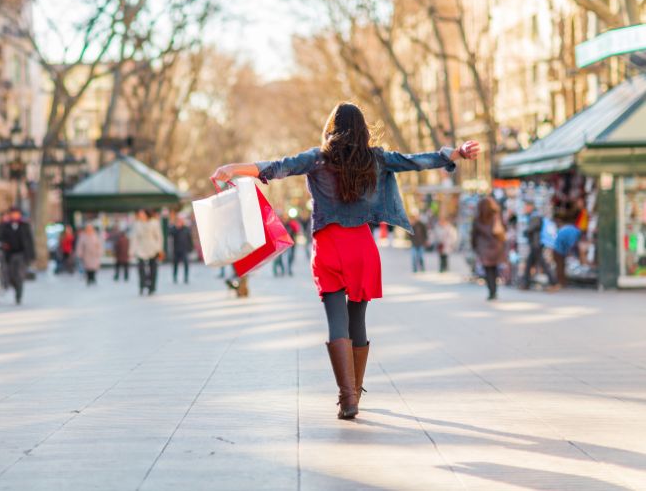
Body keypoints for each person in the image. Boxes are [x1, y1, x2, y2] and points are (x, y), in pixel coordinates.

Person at [212, 102, 479, 420]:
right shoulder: (376, 158)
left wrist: (232, 168)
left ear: (331, 127)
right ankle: (355, 393)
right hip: (363, 248)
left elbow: (276, 167)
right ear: (363, 129)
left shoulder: (318, 158)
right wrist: (456, 153)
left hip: (328, 247)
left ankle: (347, 398)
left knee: (336, 321)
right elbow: (414, 161)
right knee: (358, 321)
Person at [471, 198, 507, 301]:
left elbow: (474, 235)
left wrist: (474, 246)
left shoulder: (478, 219)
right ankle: (494, 290)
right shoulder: (496, 216)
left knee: (488, 270)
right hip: (496, 246)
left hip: (484, 247)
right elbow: (503, 229)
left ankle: (491, 291)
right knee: (495, 269)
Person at [0, 206, 35, 304]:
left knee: (19, 275)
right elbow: (0, 238)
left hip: (21, 254)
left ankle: (19, 295)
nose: (14, 215)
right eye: (12, 213)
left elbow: (30, 241)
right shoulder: (5, 226)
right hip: (9, 254)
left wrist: (31, 256)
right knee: (10, 275)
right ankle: (16, 288)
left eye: (16, 213)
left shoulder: (25, 225)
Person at [519, 201, 558, 291]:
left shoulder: (535, 216)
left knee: (543, 264)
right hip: (536, 244)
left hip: (536, 244)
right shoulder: (533, 216)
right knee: (530, 263)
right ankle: (525, 283)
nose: (524, 209)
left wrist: (525, 232)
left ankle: (553, 282)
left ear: (530, 207)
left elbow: (531, 229)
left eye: (526, 207)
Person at [131, 209, 164, 295]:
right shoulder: (137, 224)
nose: (140, 216)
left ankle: (152, 287)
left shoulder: (154, 222)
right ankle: (142, 285)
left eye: (142, 214)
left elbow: (159, 236)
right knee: (140, 268)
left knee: (153, 269)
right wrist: (131, 251)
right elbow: (134, 238)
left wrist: (159, 248)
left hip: (153, 248)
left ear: (146, 214)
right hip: (140, 249)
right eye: (139, 214)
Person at [552, 219, 582, 288]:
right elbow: (571, 244)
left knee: (561, 266)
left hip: (557, 248)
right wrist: (576, 254)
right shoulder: (575, 232)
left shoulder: (571, 229)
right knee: (560, 266)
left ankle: (561, 282)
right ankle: (560, 282)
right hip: (558, 250)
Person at [170, 216, 193, 284]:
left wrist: (190, 248)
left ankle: (186, 277)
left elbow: (190, 239)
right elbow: (170, 233)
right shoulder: (174, 229)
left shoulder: (186, 229)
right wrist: (175, 227)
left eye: (180, 221)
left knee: (186, 264)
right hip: (176, 249)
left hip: (184, 249)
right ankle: (175, 277)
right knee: (175, 264)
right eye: (178, 222)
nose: (179, 223)